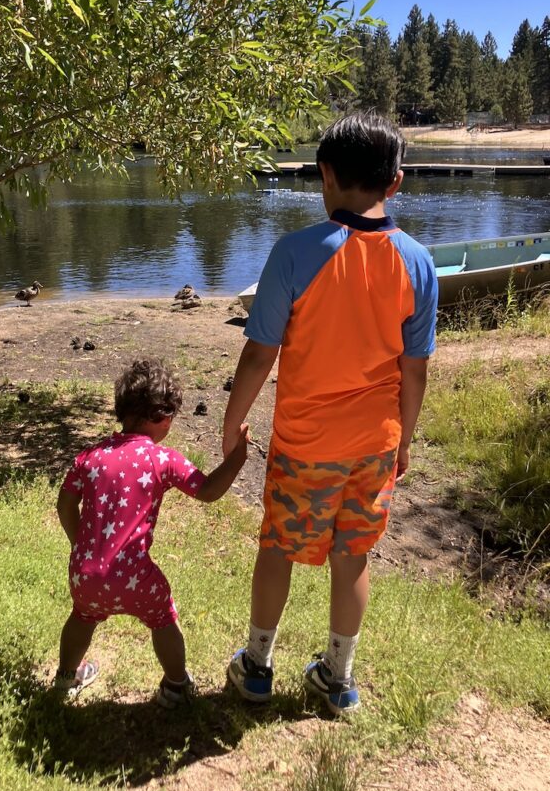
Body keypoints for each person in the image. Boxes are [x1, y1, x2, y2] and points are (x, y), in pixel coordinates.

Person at [223, 111, 437, 715]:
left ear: (324, 175)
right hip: (374, 446)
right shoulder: (418, 263)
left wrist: (231, 420)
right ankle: (338, 680)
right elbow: (414, 371)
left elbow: (260, 350)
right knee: (353, 558)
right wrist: (405, 441)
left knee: (278, 548)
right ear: (394, 183)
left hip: (304, 444)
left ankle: (258, 666)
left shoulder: (294, 252)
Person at [55, 358, 249, 706]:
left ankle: (66, 677)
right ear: (160, 416)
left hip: (85, 574)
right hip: (136, 579)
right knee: (163, 618)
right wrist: (236, 460)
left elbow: (64, 505)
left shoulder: (89, 456)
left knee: (82, 616)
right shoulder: (162, 459)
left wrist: (80, 546)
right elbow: (207, 491)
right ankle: (176, 685)